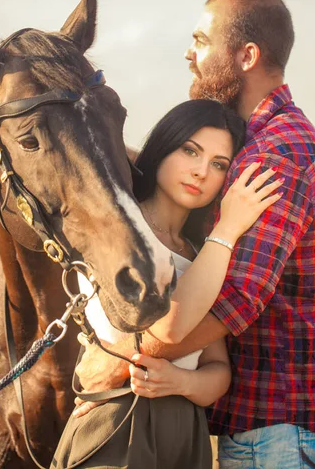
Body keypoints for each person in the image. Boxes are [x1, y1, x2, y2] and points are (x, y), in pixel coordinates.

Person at [73, 0, 315, 469]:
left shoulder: (276, 154)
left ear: (246, 55)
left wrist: (116, 360)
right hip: (265, 423)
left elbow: (234, 302)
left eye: (201, 40)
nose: (190, 52)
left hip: (277, 423)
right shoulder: (257, 140)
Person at [51, 98, 282, 468]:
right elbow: (170, 326)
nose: (201, 171)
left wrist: (179, 381)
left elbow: (217, 370)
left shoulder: (201, 253)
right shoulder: (117, 230)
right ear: (163, 145)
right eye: (190, 151)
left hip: (185, 436)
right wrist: (228, 227)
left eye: (218, 164)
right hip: (118, 421)